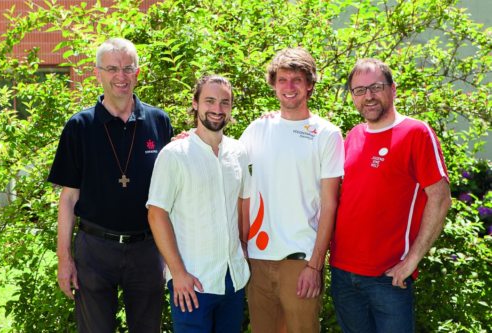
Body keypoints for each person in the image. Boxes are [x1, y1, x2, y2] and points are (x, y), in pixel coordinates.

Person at [47, 38, 173, 332]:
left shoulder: (159, 122)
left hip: (147, 248)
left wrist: (171, 254)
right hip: (95, 249)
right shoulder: (79, 127)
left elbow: (172, 193)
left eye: (128, 68)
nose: (121, 76)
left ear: (137, 72)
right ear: (98, 73)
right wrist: (64, 259)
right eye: (113, 68)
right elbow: (68, 199)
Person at [329, 58, 452, 333]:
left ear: (393, 89)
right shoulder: (353, 136)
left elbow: (441, 197)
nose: (368, 96)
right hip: (342, 274)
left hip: (388, 277)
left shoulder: (416, 132)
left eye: (375, 87)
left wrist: (412, 260)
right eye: (359, 90)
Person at [240, 48, 345, 332]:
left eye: (296, 80)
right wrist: (189, 140)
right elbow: (226, 166)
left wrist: (315, 266)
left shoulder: (327, 134)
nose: (289, 87)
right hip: (258, 258)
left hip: (300, 261)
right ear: (273, 84)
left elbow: (329, 204)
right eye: (282, 80)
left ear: (309, 84)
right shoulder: (256, 129)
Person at [147, 75, 251, 333]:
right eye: (210, 101)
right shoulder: (174, 155)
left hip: (233, 280)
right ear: (195, 103)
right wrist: (178, 273)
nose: (217, 109)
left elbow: (241, 204)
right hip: (192, 283)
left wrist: (243, 250)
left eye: (225, 102)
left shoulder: (239, 152)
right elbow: (157, 215)